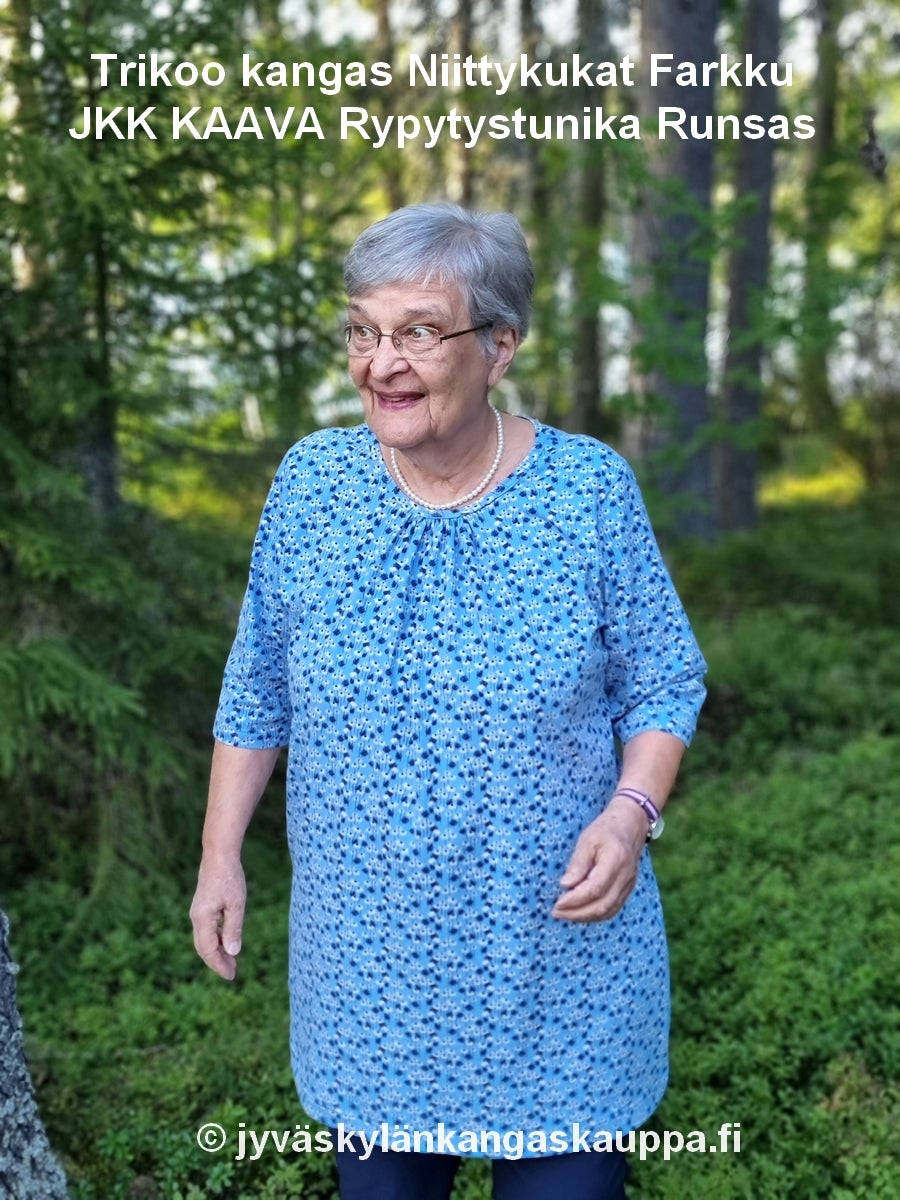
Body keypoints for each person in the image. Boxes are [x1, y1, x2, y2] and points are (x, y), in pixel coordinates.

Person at [190, 202, 707, 1200]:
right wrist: (220, 856)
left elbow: (662, 678)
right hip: (371, 980)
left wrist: (631, 810)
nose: (381, 363)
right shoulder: (312, 488)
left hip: (560, 969)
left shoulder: (588, 493)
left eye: (419, 333)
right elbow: (257, 686)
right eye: (363, 331)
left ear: (499, 347)